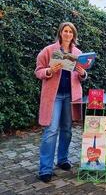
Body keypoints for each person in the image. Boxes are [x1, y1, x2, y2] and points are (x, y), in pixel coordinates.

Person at [35, 22, 87, 182]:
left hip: (71, 96)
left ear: (74, 35)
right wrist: (50, 71)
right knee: (51, 131)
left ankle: (63, 159)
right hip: (54, 96)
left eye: (70, 32)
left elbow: (81, 76)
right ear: (60, 33)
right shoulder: (49, 50)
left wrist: (83, 73)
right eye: (65, 31)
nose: (68, 34)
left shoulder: (78, 53)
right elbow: (38, 71)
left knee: (67, 130)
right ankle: (45, 169)